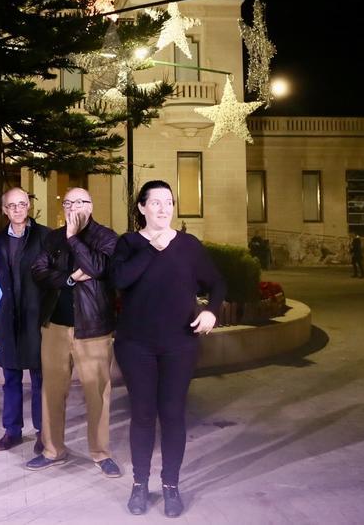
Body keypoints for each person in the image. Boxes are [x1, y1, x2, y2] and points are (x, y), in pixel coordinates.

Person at [112, 180, 225, 518]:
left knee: (173, 415)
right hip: (136, 345)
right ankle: (139, 485)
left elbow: (217, 282)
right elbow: (119, 281)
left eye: (169, 202)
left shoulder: (189, 245)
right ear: (142, 208)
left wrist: (211, 310)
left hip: (179, 344)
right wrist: (152, 248)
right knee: (143, 415)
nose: (164, 208)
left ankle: (171, 485)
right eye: (156, 202)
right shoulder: (129, 243)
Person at [27, 187, 122, 479]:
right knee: (52, 392)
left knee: (97, 395)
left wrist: (73, 239)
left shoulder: (106, 237)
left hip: (93, 330)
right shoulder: (53, 237)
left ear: (90, 206)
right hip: (54, 327)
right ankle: (53, 450)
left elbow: (97, 266)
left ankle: (100, 453)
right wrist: (68, 278)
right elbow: (38, 270)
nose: (72, 207)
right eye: (67, 202)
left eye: (79, 202)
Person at [0, 187, 50, 453]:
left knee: (39, 379)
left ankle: (42, 432)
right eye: (12, 206)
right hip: (7, 319)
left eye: (22, 204)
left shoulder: (45, 237)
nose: (17, 210)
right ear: (4, 210)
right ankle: (12, 431)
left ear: (29, 206)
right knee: (10, 379)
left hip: (36, 319)